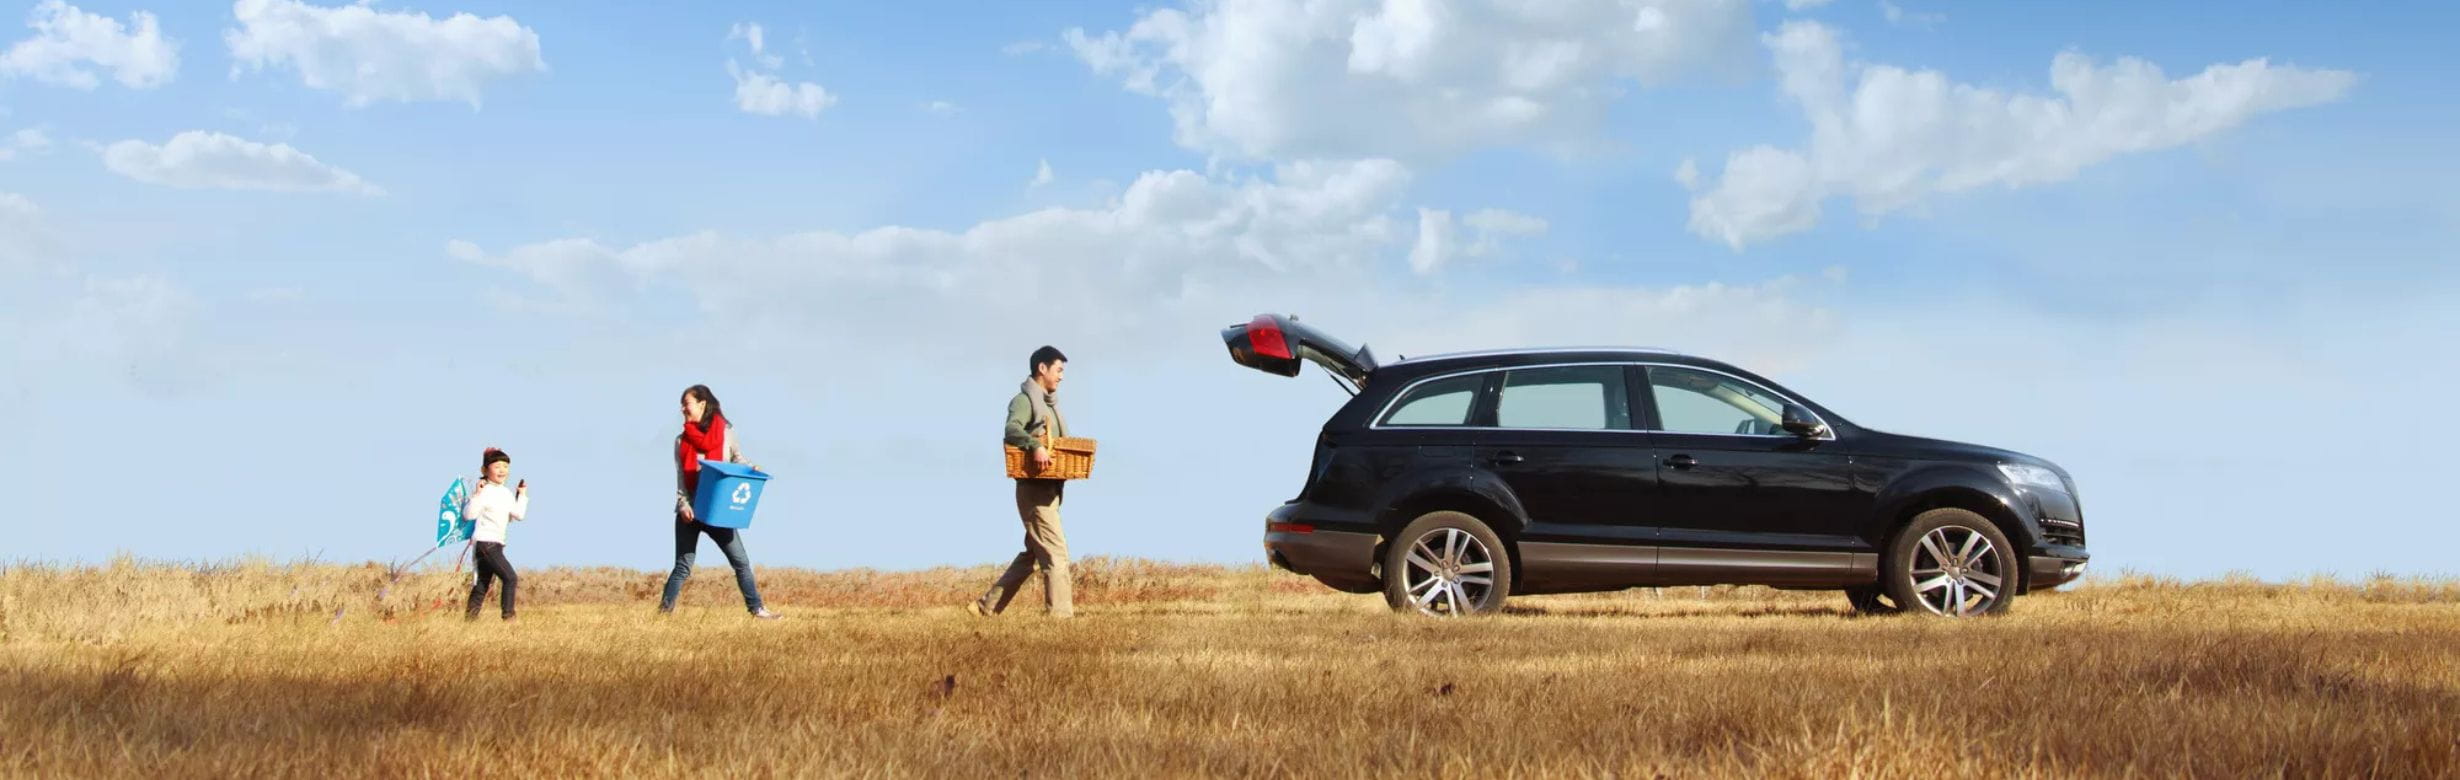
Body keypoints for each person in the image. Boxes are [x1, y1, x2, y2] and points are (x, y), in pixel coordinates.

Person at [660, 384, 781, 619]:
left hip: (717, 508)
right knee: (683, 566)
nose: (683, 408)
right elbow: (681, 479)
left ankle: (757, 609)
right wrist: (683, 505)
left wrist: (750, 468)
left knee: (740, 562)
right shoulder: (680, 441)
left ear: (702, 404)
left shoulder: (725, 432)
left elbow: (737, 459)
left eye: (687, 403)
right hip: (691, 511)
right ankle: (663, 614)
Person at [972, 346, 1076, 618]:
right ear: (1042, 369)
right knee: (1056, 554)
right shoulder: (1024, 400)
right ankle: (1060, 619)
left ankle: (985, 607)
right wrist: (1034, 446)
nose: (1062, 376)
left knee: (1032, 555)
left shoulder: (1050, 404)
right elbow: (1012, 429)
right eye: (1059, 370)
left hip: (1049, 490)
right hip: (1033, 490)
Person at [462, 447, 528, 622]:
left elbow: (518, 515)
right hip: (485, 543)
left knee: (482, 585)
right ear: (485, 470)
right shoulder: (485, 491)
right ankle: (509, 617)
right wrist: (477, 494)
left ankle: (469, 622)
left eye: (505, 466)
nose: (502, 470)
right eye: (497, 466)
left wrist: (521, 495)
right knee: (510, 577)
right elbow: (469, 515)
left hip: (497, 543)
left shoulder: (506, 493)